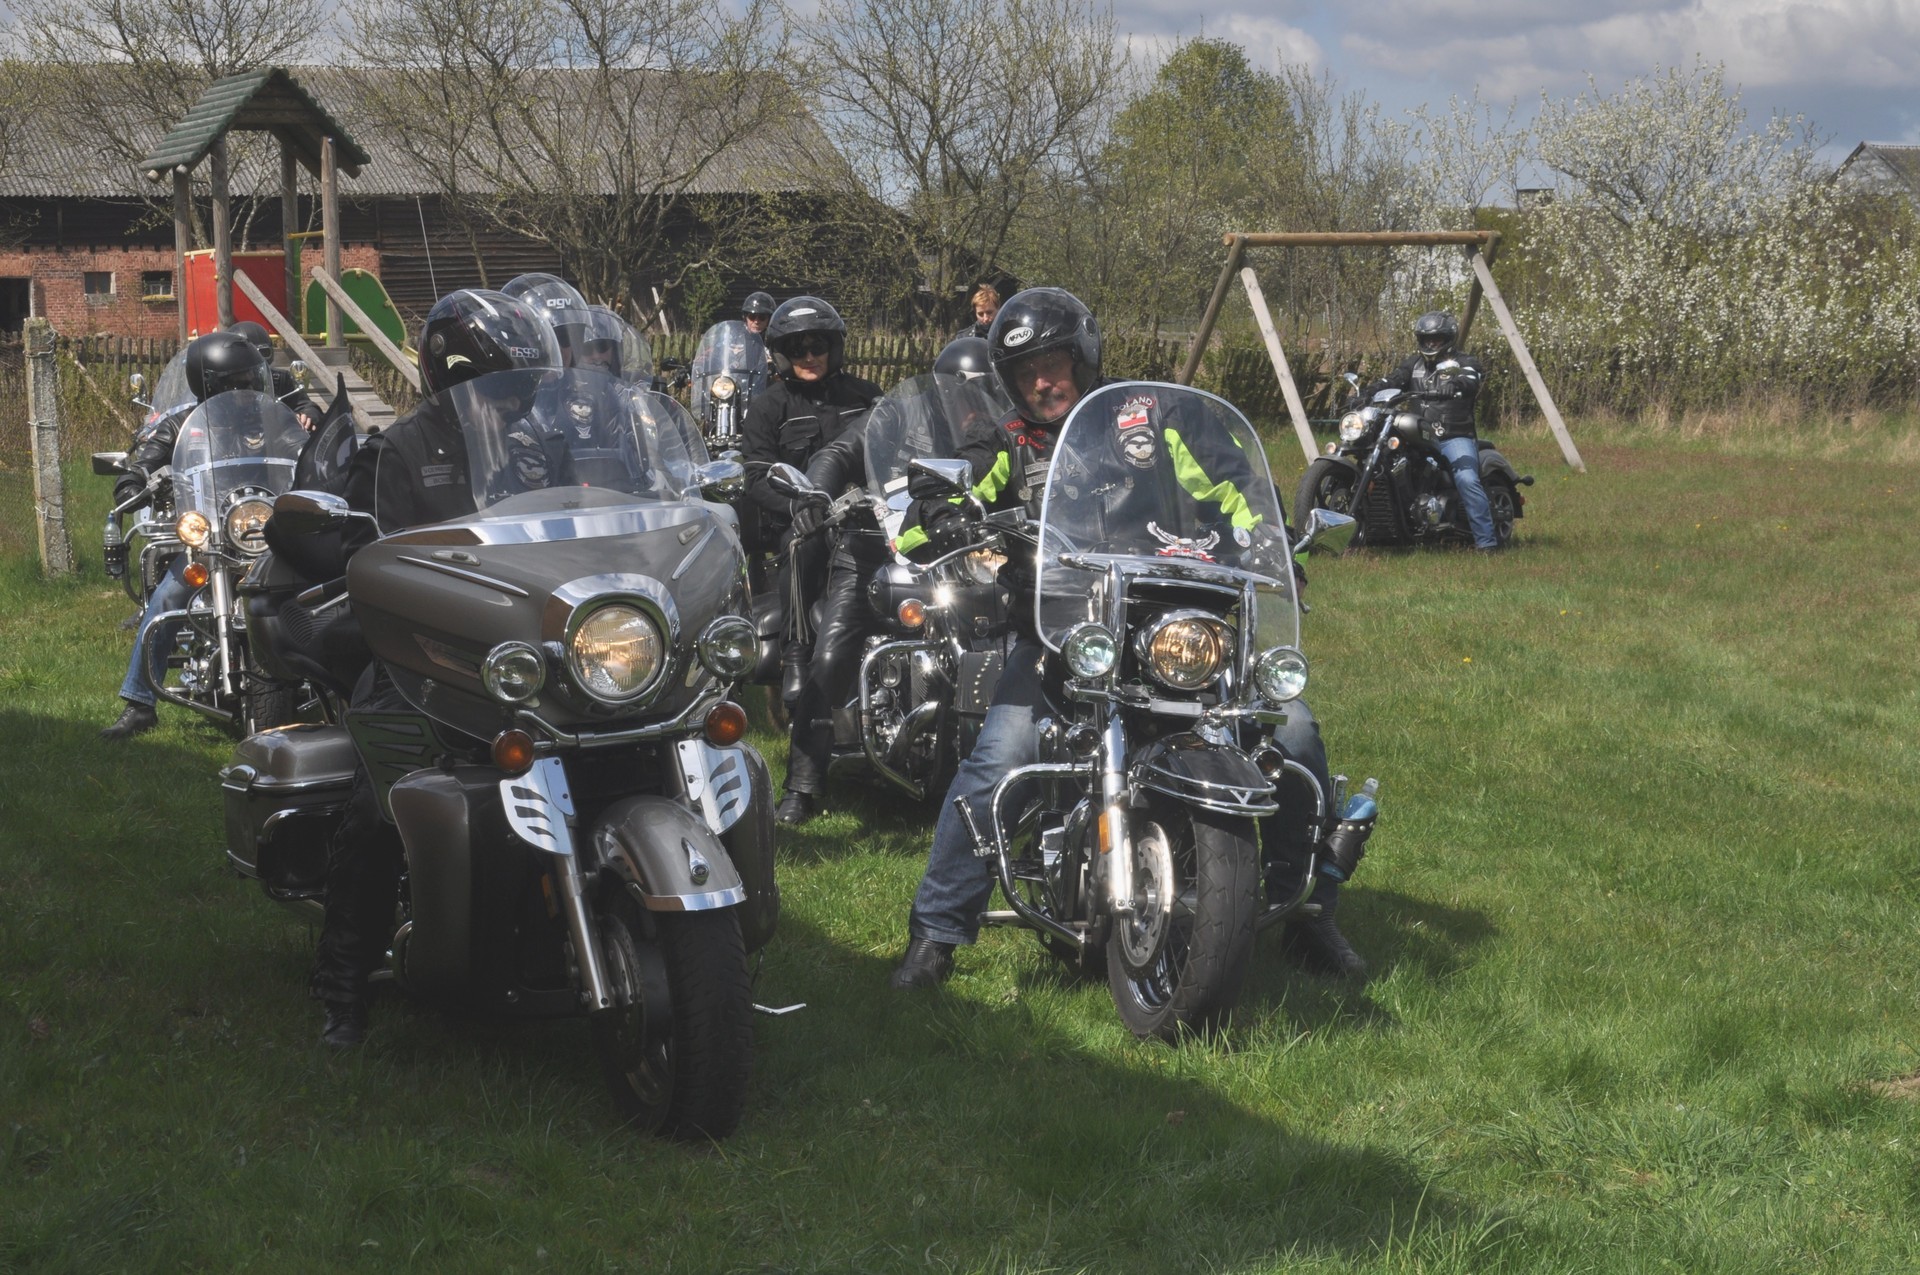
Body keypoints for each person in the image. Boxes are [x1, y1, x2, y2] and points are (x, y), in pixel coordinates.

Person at [888, 286, 1365, 988]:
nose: (1043, 383)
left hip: (1184, 635)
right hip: (1065, 642)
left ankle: (1310, 907)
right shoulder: (1004, 441)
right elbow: (924, 515)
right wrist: (947, 514)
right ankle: (936, 933)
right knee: (1000, 759)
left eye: (1053, 365)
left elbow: (1233, 482)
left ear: (1082, 359)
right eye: (1026, 373)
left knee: (1293, 737)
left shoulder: (1154, 418)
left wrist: (1268, 534)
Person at [308, 288, 562, 1047]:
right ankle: (343, 983)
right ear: (454, 380)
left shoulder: (535, 450)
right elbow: (370, 565)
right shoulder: (397, 452)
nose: (519, 401)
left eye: (527, 386)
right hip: (421, 658)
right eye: (506, 386)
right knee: (382, 802)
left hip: (525, 655)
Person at [737, 296, 882, 825]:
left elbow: (897, 452)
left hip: (868, 527)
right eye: (797, 347)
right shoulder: (768, 407)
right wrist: (800, 506)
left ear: (834, 348)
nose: (809, 355)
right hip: (804, 526)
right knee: (802, 545)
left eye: (818, 345)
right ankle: (797, 655)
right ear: (781, 354)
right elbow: (756, 478)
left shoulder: (867, 398)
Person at [99, 330, 270, 740]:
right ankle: (140, 703)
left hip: (264, 535)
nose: (249, 389)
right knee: (167, 601)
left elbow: (306, 442)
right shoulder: (181, 425)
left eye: (253, 378)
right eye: (239, 382)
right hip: (210, 542)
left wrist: (312, 422)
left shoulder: (269, 419)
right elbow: (145, 459)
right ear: (212, 386)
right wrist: (133, 481)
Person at [1369, 311, 1494, 550]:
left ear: (1448, 339)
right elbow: (1393, 380)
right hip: (1418, 436)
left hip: (1453, 435)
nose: (1431, 344)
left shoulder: (1464, 361)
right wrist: (1369, 392)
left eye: (1436, 339)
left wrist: (1455, 384)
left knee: (1467, 479)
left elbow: (1471, 378)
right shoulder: (1413, 364)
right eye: (1426, 339)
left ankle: (1487, 542)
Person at [228, 320, 318, 431]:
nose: (256, 363)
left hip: (272, 438)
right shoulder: (222, 383)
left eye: (263, 354)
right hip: (233, 437)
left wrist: (307, 416)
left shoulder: (279, 379)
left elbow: (306, 405)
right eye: (249, 356)